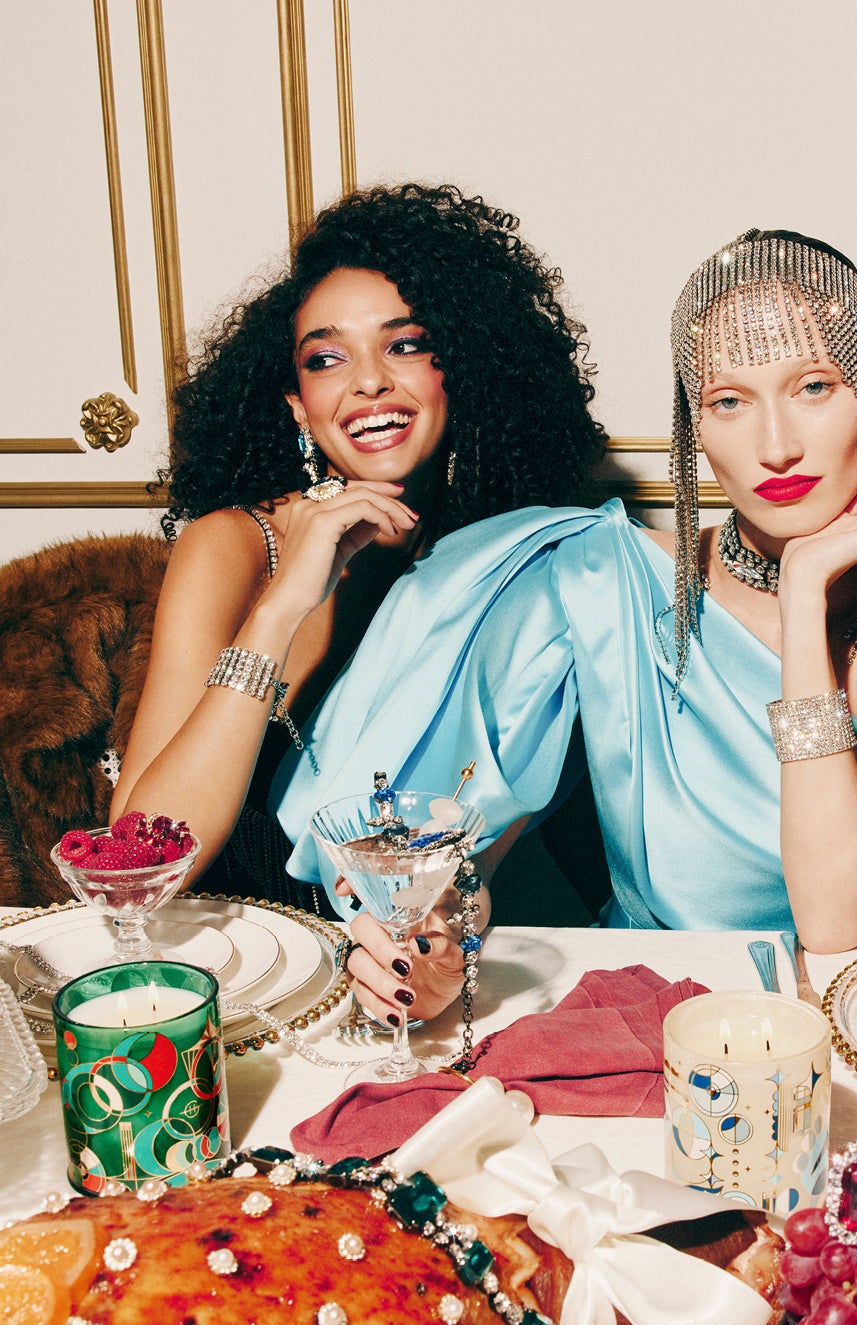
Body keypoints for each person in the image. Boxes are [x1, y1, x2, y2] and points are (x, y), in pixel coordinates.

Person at [277, 229, 857, 1029]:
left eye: (814, 387)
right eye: (728, 401)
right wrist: (442, 949)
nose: (777, 445)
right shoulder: (599, 575)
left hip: (842, 1007)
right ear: (695, 429)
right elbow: (468, 855)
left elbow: (834, 918)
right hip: (641, 1000)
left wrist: (802, 598)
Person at [111, 184, 604, 910]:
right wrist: (281, 608)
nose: (369, 381)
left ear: (462, 373)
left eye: (405, 346)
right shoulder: (235, 546)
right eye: (325, 359)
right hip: (242, 952)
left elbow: (493, 840)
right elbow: (137, 865)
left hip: (413, 945)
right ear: (298, 408)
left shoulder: (517, 564)